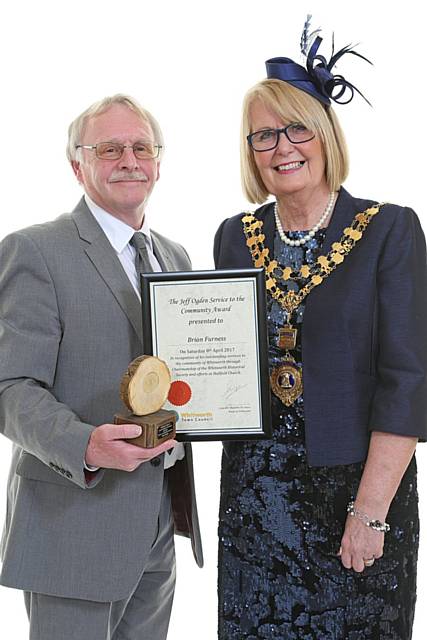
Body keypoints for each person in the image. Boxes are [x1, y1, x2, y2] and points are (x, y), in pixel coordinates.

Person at [214, 19, 427, 640]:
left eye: (296, 128)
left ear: (325, 135)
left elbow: (408, 381)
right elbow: (219, 357)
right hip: (254, 503)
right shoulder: (235, 234)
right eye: (263, 136)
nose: (283, 147)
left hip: (353, 500)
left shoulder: (389, 230)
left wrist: (371, 511)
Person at [0, 94, 203, 640]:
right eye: (109, 148)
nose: (129, 160)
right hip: (74, 523)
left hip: (159, 521)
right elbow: (11, 387)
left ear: (158, 161)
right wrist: (85, 444)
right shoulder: (35, 251)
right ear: (77, 165)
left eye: (141, 147)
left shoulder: (175, 257)